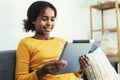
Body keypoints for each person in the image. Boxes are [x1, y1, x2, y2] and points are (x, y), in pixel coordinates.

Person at [15, 1, 90, 80]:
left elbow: (74, 75)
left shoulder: (62, 41)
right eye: (44, 19)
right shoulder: (25, 43)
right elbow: (19, 78)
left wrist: (81, 67)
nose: (49, 23)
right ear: (33, 20)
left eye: (52, 19)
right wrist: (43, 71)